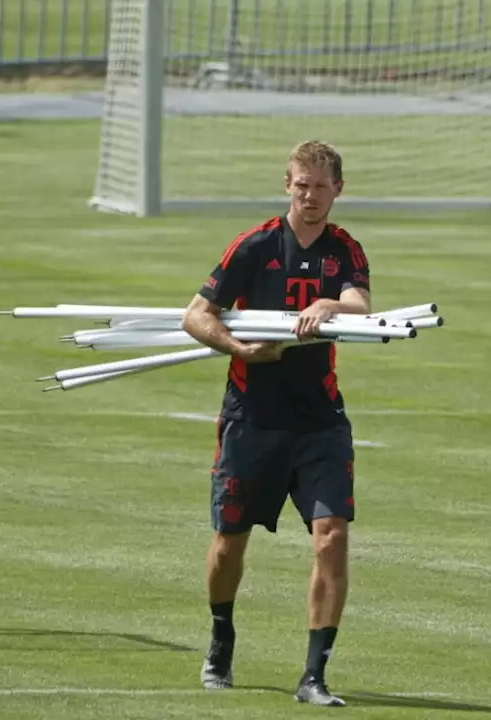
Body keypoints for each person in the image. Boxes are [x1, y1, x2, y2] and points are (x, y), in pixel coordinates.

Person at [180, 140, 372, 708]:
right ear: (286, 185)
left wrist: (329, 306)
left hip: (320, 421)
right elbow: (196, 315)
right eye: (301, 185)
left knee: (332, 538)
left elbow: (362, 302)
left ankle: (314, 675)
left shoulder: (344, 251)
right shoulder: (255, 244)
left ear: (339, 189)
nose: (310, 196)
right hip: (252, 419)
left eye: (321, 186)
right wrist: (241, 348)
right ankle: (221, 633)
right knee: (227, 545)